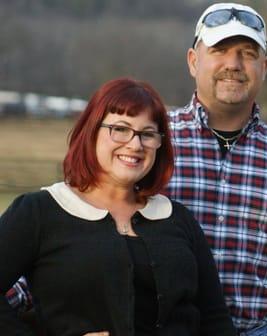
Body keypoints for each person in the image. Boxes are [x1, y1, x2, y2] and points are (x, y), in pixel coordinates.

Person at [0, 78, 236, 335]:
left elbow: (215, 320)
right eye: (120, 129)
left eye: (147, 134)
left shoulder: (178, 219)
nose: (135, 145)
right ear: (91, 132)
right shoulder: (39, 212)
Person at [164, 2, 267, 335]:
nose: (234, 64)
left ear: (265, 66)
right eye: (220, 50)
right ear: (193, 61)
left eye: (247, 53)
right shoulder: (152, 144)